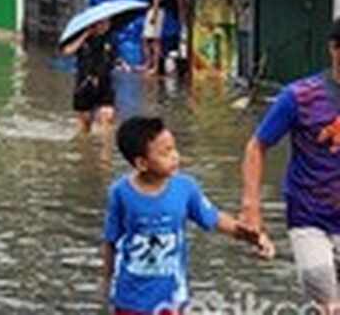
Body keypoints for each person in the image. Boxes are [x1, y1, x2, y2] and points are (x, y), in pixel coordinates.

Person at [103, 117, 272, 315]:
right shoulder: (120, 193)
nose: (175, 156)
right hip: (130, 299)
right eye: (165, 153)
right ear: (141, 163)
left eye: (174, 148)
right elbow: (111, 241)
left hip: (172, 296)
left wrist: (252, 236)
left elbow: (214, 218)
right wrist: (106, 282)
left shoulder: (185, 188)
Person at [241, 17, 340, 313]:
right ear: (334, 49)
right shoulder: (299, 96)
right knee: (327, 300)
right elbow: (257, 147)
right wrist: (252, 207)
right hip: (310, 215)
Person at [63, 20, 117, 134]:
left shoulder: (111, 39)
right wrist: (85, 35)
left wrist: (120, 63)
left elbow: (113, 58)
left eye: (107, 22)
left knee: (107, 117)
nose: (105, 26)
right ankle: (83, 147)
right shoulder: (82, 39)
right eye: (101, 23)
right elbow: (67, 51)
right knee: (85, 124)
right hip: (85, 83)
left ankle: (106, 151)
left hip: (104, 83)